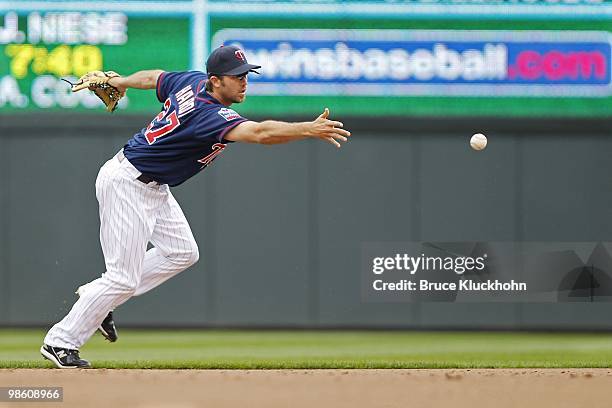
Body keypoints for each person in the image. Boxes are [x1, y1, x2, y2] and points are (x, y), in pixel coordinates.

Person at [40, 45, 351, 368]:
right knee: (122, 278)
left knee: (182, 252)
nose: (244, 82)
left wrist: (122, 82)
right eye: (237, 77)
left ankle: (99, 299)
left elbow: (153, 77)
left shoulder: (190, 81)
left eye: (247, 75)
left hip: (153, 185)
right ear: (215, 80)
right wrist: (307, 128)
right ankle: (60, 341)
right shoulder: (208, 114)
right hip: (127, 184)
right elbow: (259, 133)